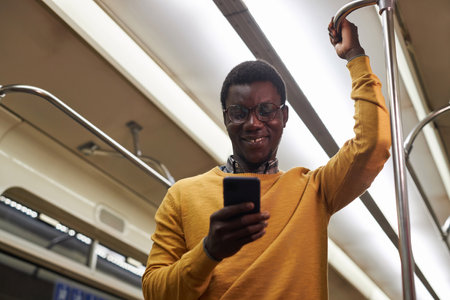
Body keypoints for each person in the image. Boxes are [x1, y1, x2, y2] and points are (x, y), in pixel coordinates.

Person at [142, 18, 391, 300]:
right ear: (227, 118)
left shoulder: (314, 190)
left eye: (266, 110)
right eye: (239, 112)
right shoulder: (182, 196)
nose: (253, 123)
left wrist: (355, 57)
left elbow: (374, 144)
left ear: (284, 117)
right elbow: (154, 293)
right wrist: (208, 251)